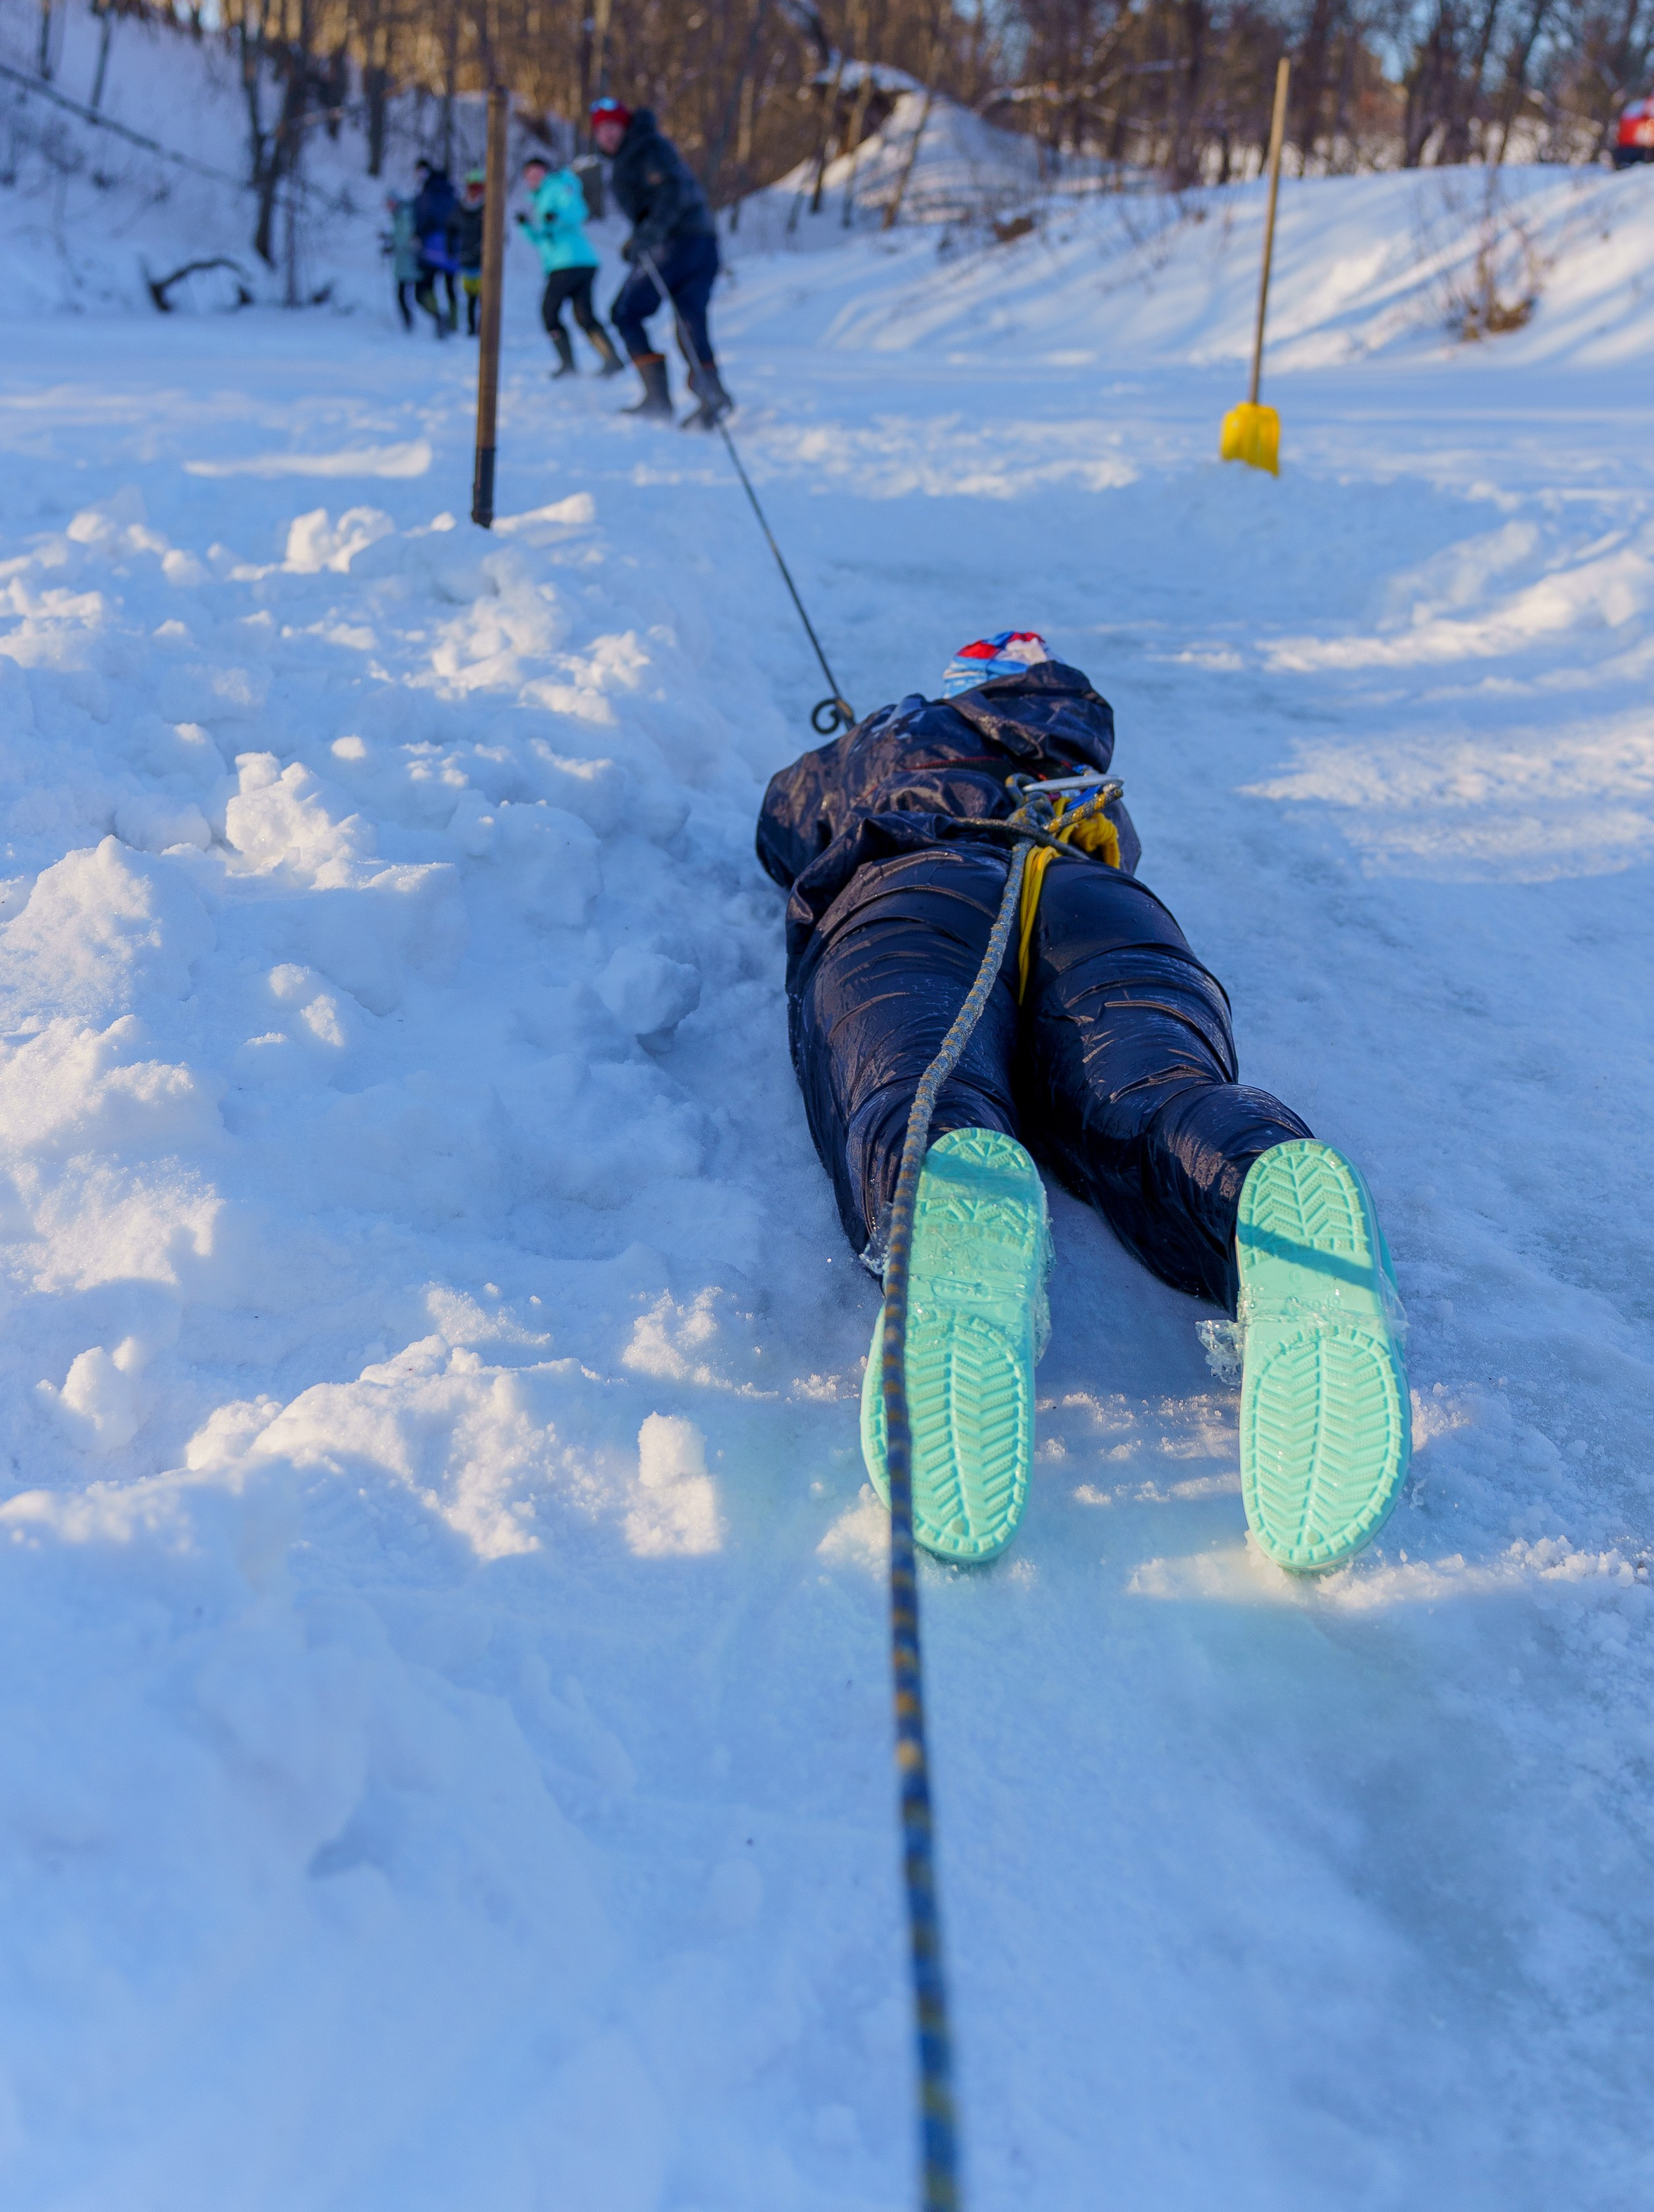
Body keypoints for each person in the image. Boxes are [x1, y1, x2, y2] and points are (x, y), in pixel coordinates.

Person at [756, 630, 1411, 1577]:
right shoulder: (1080, 763)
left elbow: (783, 822)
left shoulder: (898, 738)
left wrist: (863, 746)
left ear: (961, 686)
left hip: (916, 886)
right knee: (1152, 1091)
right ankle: (1255, 1176)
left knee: (918, 1076)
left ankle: (942, 1198)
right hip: (1095, 901)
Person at [587, 96, 730, 422]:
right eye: (601, 130)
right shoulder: (645, 148)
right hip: (702, 241)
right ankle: (713, 394)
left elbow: (670, 192)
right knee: (688, 316)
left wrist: (647, 236)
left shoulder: (644, 148)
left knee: (626, 312)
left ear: (625, 126)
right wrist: (640, 238)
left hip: (677, 242)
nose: (607, 135)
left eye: (613, 127)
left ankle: (657, 398)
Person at [515, 153, 625, 379]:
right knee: (584, 315)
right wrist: (528, 228)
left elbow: (577, 211)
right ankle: (612, 359)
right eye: (529, 175)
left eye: (537, 172)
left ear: (546, 172)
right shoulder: (540, 198)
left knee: (549, 312)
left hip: (569, 263)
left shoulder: (557, 187)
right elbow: (544, 237)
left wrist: (557, 215)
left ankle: (568, 365)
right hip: (574, 262)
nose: (533, 178)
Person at [413, 158, 459, 334]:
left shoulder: (426, 195)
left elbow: (422, 219)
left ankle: (438, 315)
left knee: (424, 288)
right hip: (451, 249)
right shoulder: (452, 194)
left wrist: (418, 235)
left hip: (430, 250)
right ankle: (454, 324)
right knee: (450, 288)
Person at [382, 190, 424, 330]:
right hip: (404, 264)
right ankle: (408, 324)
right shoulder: (400, 215)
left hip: (409, 263)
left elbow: (405, 238)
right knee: (405, 296)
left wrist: (392, 247)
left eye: (390, 203)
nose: (389, 207)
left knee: (406, 296)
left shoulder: (404, 215)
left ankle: (409, 324)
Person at [456, 167, 487, 339]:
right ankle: (471, 327)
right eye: (472, 187)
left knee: (485, 298)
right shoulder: (461, 207)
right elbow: (453, 228)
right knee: (470, 298)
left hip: (484, 262)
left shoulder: (489, 208)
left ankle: (484, 327)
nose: (475, 191)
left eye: (478, 187)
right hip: (466, 260)